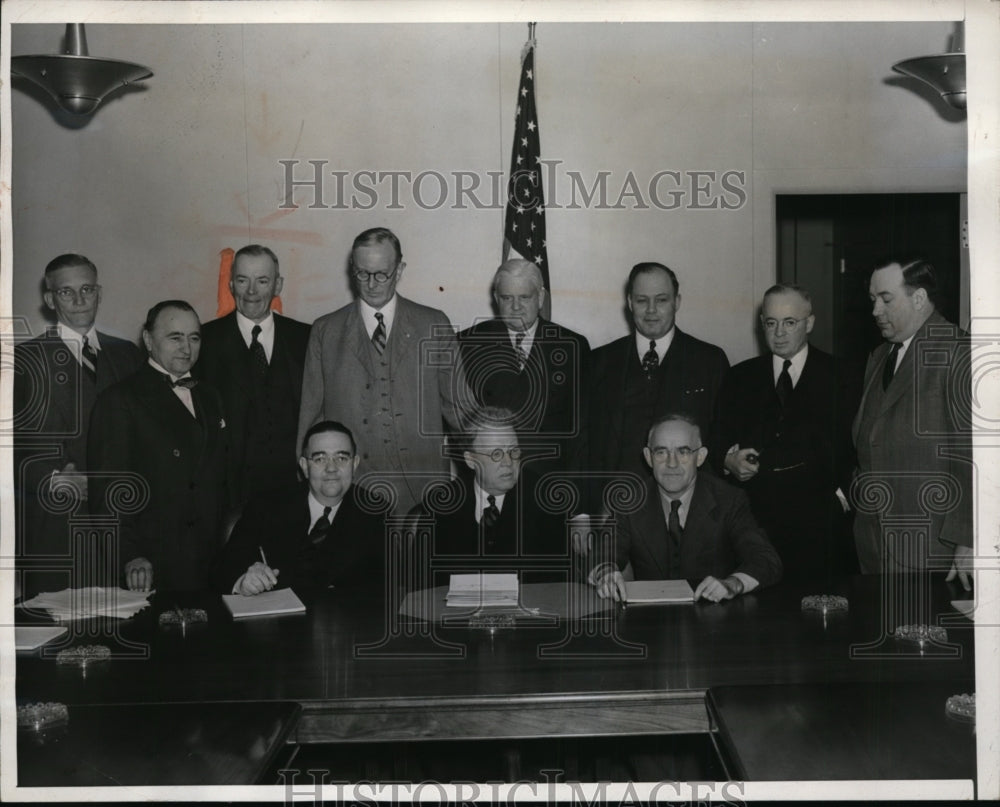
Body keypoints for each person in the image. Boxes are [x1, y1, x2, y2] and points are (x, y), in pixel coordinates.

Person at [297, 227, 468, 515]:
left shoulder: (433, 324)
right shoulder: (325, 331)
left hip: (424, 489)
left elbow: (461, 408)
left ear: (399, 270)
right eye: (362, 273)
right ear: (352, 268)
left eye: (381, 275)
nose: (371, 284)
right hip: (352, 493)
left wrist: (487, 460)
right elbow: (311, 419)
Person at [13, 254, 142, 596]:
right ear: (49, 299)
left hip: (120, 531)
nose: (79, 299)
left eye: (87, 289)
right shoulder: (23, 361)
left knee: (125, 620)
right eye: (66, 292)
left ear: (99, 293)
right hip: (56, 532)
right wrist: (53, 479)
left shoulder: (128, 355)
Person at [712, 284, 860, 581]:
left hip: (821, 527)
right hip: (754, 526)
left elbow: (858, 445)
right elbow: (716, 439)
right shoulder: (739, 376)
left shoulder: (843, 375)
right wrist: (728, 460)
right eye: (771, 323)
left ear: (810, 323)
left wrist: (843, 498)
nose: (779, 333)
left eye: (790, 322)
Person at [88, 301, 229, 592]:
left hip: (211, 559)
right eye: (175, 337)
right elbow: (109, 492)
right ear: (149, 340)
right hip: (151, 563)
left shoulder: (211, 396)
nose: (186, 348)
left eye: (194, 338)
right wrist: (129, 555)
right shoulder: (119, 400)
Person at [852, 258, 972, 585]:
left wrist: (968, 539)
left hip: (934, 548)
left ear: (918, 298)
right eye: (873, 299)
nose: (875, 310)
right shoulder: (879, 357)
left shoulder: (959, 351)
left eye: (886, 299)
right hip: (875, 544)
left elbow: (976, 459)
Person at [591, 413, 782, 603]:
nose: (671, 463)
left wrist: (733, 584)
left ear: (700, 457)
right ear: (648, 457)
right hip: (648, 617)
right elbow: (601, 554)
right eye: (661, 452)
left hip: (713, 616)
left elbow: (765, 559)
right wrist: (605, 573)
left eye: (683, 452)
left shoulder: (729, 500)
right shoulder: (630, 502)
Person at [587, 263, 729, 505]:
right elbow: (585, 444)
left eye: (661, 300)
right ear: (630, 303)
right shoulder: (599, 361)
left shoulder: (709, 360)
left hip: (689, 508)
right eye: (642, 300)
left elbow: (721, 439)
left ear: (677, 302)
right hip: (615, 506)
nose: (651, 310)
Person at [212, 420, 388, 599]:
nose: (331, 468)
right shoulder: (266, 506)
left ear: (355, 464)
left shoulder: (374, 512)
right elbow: (224, 568)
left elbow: (387, 583)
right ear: (304, 466)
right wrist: (243, 581)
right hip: (275, 615)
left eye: (341, 458)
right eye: (320, 459)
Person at [195, 245, 311, 504]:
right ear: (231, 285)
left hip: (293, 491)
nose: (251, 291)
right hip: (228, 495)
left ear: (278, 285)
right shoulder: (204, 341)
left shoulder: (306, 338)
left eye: (262, 281)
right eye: (242, 280)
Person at [410, 407, 572, 589]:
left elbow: (559, 584)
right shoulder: (441, 504)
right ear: (471, 460)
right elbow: (420, 584)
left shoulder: (545, 499)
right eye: (496, 454)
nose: (508, 462)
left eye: (514, 451)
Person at [457, 259, 590, 473]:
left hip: (550, 476)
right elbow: (460, 422)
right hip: (490, 475)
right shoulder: (468, 343)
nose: (516, 306)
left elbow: (582, 428)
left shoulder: (572, 346)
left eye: (525, 297)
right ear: (496, 299)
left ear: (541, 298)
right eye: (507, 298)